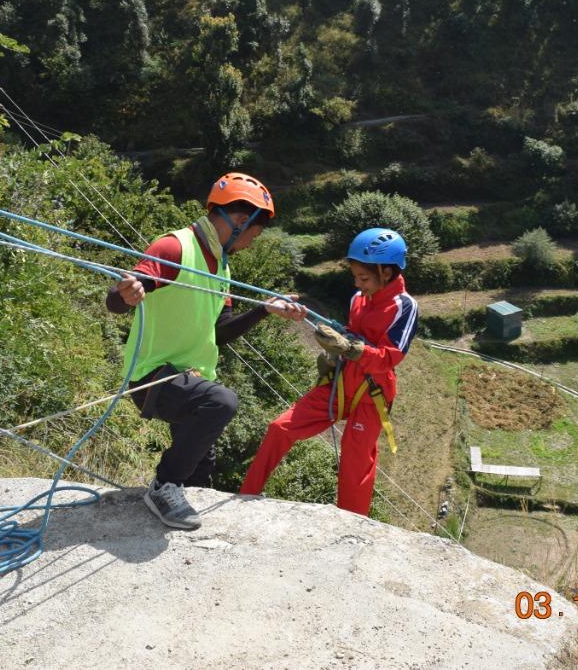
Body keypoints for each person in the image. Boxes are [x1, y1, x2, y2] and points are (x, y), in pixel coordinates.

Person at [105, 172, 306, 530]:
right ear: (240, 221)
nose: (250, 244)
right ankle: (163, 487)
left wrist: (263, 310)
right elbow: (119, 299)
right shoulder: (174, 248)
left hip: (190, 379)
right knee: (222, 403)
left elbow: (220, 332)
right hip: (152, 377)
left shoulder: (222, 267)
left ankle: (180, 505)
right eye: (254, 235)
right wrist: (125, 295)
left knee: (200, 471)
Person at [239, 228, 418, 515]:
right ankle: (247, 495)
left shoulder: (404, 306)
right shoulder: (357, 299)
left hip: (372, 392)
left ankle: (351, 525)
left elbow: (390, 356)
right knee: (279, 428)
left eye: (364, 278)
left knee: (355, 459)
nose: (358, 285)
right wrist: (331, 334)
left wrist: (350, 348)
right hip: (341, 381)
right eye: (355, 277)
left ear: (386, 272)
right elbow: (350, 333)